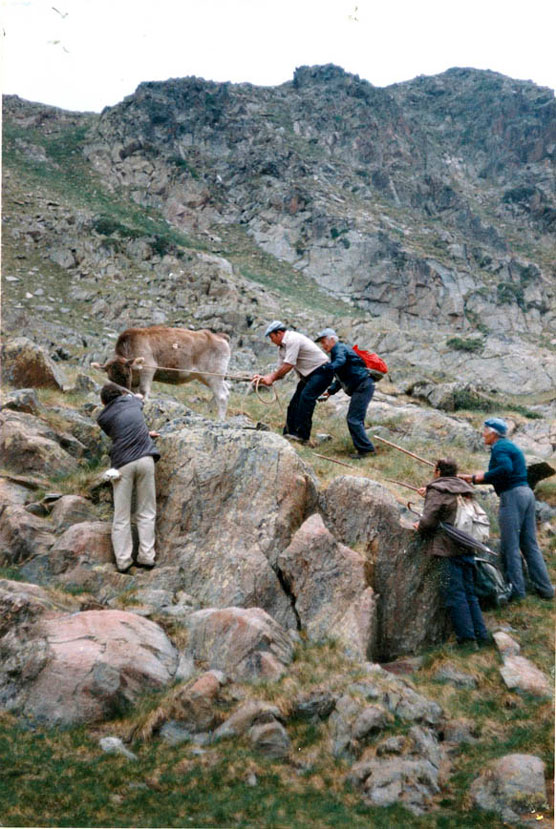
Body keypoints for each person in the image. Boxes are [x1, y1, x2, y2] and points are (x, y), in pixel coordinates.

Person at [459, 418, 554, 602]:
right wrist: (473, 478)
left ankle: (517, 591)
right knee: (529, 544)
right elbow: (506, 472)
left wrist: (477, 477)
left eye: (485, 430)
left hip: (512, 497)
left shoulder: (499, 448)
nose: (483, 433)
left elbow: (505, 468)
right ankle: (545, 589)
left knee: (510, 545)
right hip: (526, 494)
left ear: (493, 432)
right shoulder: (508, 445)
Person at [414, 457, 490, 648]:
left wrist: (419, 525)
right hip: (468, 545)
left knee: (455, 594)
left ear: (438, 471)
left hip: (447, 549)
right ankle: (481, 635)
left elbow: (429, 521)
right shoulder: (465, 489)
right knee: (470, 593)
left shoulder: (437, 489)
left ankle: (467, 640)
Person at [97, 382, 160, 573]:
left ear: (103, 401)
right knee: (147, 511)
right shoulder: (132, 402)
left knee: (122, 515)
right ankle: (147, 557)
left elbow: (120, 432)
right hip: (146, 459)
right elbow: (139, 398)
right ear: (121, 394)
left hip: (123, 464)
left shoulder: (103, 418)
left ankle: (124, 561)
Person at [252, 321, 331, 444]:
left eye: (272, 337)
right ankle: (290, 433)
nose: (271, 341)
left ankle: (303, 437)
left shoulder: (293, 339)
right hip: (309, 376)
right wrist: (264, 378)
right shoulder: (282, 349)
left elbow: (289, 365)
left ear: (279, 333)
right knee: (294, 403)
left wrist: (271, 378)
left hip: (322, 372)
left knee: (306, 399)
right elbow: (280, 372)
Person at [315, 328, 376, 459]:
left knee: (353, 419)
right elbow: (340, 379)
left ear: (332, 339)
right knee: (356, 419)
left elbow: (340, 361)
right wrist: (329, 393)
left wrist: (327, 368)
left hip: (363, 386)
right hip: (364, 385)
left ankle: (367, 450)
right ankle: (365, 449)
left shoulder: (339, 349)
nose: (323, 345)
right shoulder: (337, 351)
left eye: (324, 341)